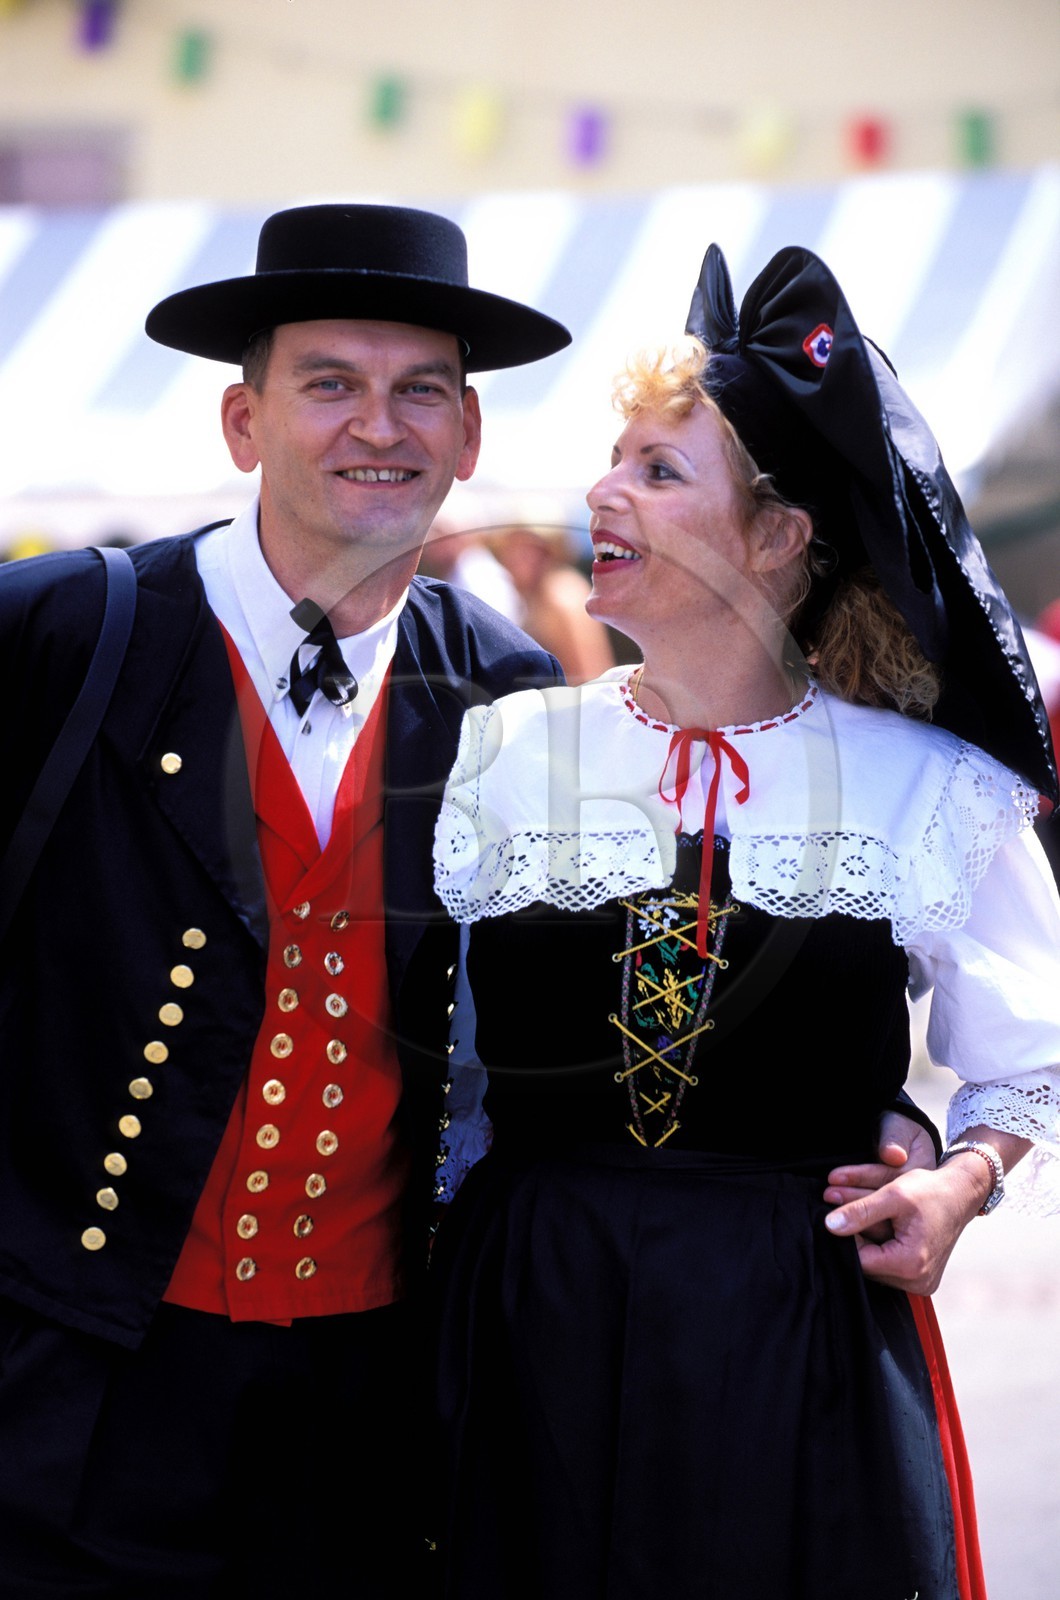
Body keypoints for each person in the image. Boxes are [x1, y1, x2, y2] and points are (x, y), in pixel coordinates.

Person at [430, 243, 1060, 1598]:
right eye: (613, 459)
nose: (604, 490)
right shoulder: (506, 758)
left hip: (793, 1318)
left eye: (660, 472)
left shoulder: (924, 791)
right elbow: (446, 1077)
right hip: (533, 1307)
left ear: (779, 540)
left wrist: (956, 1181)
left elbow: (1030, 1059)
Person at [0, 203, 572, 1596]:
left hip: (367, 1403)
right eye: (330, 383)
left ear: (469, 436)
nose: (379, 424)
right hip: (70, 1374)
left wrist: (890, 1110)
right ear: (243, 422)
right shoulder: (66, 634)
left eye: (419, 389)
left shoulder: (514, 698)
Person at [492, 521, 617, 683]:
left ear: (551, 551)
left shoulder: (562, 594)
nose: (515, 558)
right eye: (511, 548)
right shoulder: (535, 595)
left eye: (527, 550)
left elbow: (588, 676)